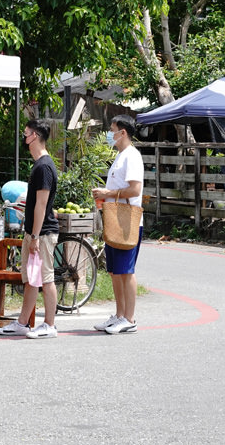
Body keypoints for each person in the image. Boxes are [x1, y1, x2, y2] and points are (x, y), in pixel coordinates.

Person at [0, 118, 60, 339]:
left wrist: (35, 236)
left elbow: (42, 205)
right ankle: (23, 322)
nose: (24, 137)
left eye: (26, 133)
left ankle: (50, 324)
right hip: (34, 231)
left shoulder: (43, 166)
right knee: (30, 278)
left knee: (46, 277)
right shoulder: (39, 165)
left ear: (35, 136)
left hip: (41, 233)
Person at [92, 114, 144, 335]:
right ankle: (119, 315)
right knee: (114, 271)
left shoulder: (132, 156)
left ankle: (129, 318)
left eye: (112, 129)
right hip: (115, 219)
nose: (109, 134)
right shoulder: (121, 156)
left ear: (123, 132)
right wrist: (104, 197)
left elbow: (135, 190)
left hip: (128, 221)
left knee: (126, 271)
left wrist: (108, 193)